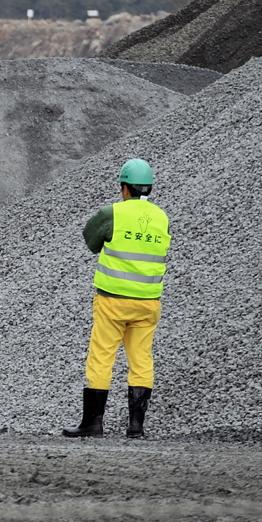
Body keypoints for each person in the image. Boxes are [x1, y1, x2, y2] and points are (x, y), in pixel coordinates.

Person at [62, 158, 171, 439]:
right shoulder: (162, 217)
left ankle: (93, 424)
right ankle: (136, 427)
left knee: (101, 358)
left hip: (113, 301)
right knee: (141, 360)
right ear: (149, 188)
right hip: (148, 302)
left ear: (124, 188)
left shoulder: (113, 213)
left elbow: (90, 241)